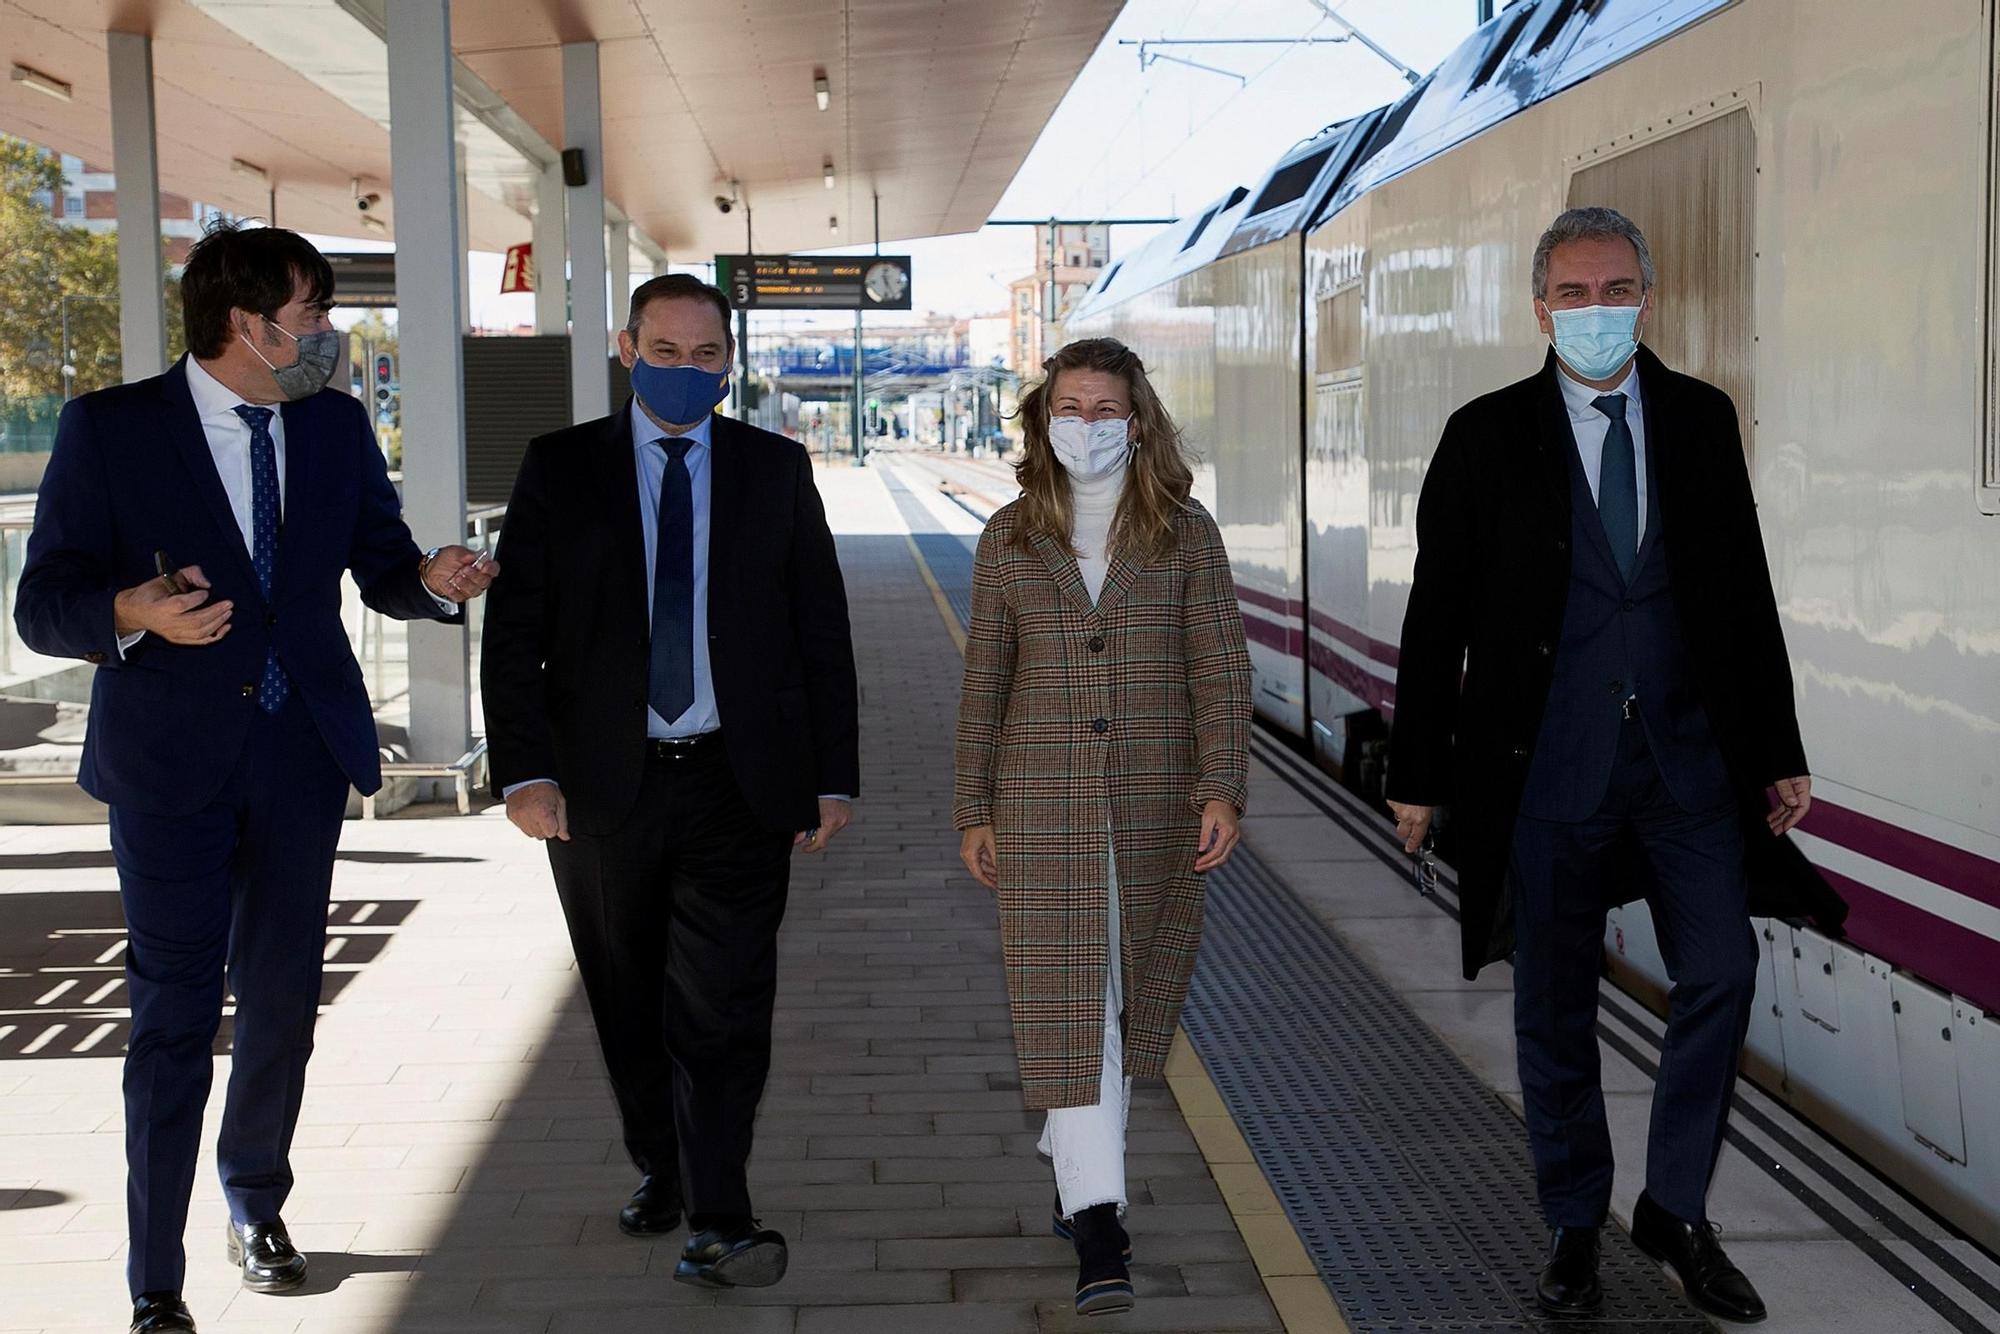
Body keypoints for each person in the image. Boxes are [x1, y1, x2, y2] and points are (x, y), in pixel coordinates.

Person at [14, 221, 494, 1334]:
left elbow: (381, 565)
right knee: (172, 1015)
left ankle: (255, 1202)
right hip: (168, 769)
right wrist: (128, 613)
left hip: (299, 760)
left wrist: (432, 578)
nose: (327, 332)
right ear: (247, 323)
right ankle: (153, 1273)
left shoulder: (331, 425)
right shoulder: (111, 428)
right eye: (313, 312)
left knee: (280, 1005)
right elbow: (43, 602)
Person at [1385, 207, 1844, 1324]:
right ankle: (1573, 1221)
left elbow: (1741, 591)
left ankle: (1673, 1207)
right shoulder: (1484, 434)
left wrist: (1775, 750)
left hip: (1684, 761)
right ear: (1538, 307)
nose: (1600, 311)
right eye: (1577, 293)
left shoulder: (1696, 418)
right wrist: (1414, 771)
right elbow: (1434, 609)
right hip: (1542, 768)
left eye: (1618, 288)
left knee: (1722, 969)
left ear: (1649, 295)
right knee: (1552, 1005)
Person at [481, 273, 859, 1291]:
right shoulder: (560, 469)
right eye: (664, 350)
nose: (684, 371)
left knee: (725, 1005)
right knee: (626, 997)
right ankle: (662, 1158)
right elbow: (515, 635)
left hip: (738, 783)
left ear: (728, 361)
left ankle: (717, 1212)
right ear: (626, 345)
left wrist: (834, 777)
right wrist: (523, 770)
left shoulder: (775, 470)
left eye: (704, 356)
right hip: (603, 789)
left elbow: (819, 629)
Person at [952, 337, 1253, 1318]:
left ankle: (1067, 1146)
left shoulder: (1183, 530)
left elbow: (1217, 665)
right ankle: (1098, 1226)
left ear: (1139, 420)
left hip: (1157, 801)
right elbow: (982, 684)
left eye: (1105, 408)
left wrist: (1222, 786)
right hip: (1040, 805)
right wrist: (973, 806)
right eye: (1068, 407)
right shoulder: (1007, 535)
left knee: (1126, 1009)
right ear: (1043, 419)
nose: (1086, 424)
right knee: (1073, 1009)